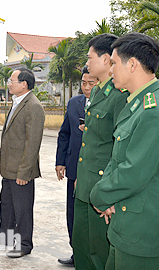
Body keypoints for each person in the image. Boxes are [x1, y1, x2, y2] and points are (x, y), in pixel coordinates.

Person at [90, 32, 159, 270]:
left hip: (142, 227)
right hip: (126, 220)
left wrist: (99, 197)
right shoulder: (137, 104)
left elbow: (133, 172)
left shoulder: (154, 110)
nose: (111, 71)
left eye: (115, 64)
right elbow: (117, 158)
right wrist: (107, 195)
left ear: (132, 65)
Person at [73, 33, 129, 270]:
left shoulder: (120, 97)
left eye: (91, 57)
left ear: (107, 60)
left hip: (101, 186)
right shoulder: (96, 92)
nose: (87, 63)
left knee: (99, 251)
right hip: (86, 184)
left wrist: (109, 191)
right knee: (81, 245)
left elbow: (121, 150)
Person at [0, 67, 45, 258]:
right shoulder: (17, 102)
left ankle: (24, 244)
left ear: (24, 84)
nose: (8, 83)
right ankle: (6, 236)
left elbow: (32, 143)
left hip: (21, 170)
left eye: (12, 80)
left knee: (22, 208)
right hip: (9, 167)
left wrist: (24, 172)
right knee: (7, 204)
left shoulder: (33, 106)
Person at [55, 66, 96, 266]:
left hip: (95, 171)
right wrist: (60, 161)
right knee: (73, 214)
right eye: (84, 83)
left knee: (91, 216)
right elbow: (65, 133)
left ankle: (92, 257)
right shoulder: (74, 103)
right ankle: (77, 253)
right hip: (73, 168)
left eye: (92, 83)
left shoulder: (106, 105)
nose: (86, 87)